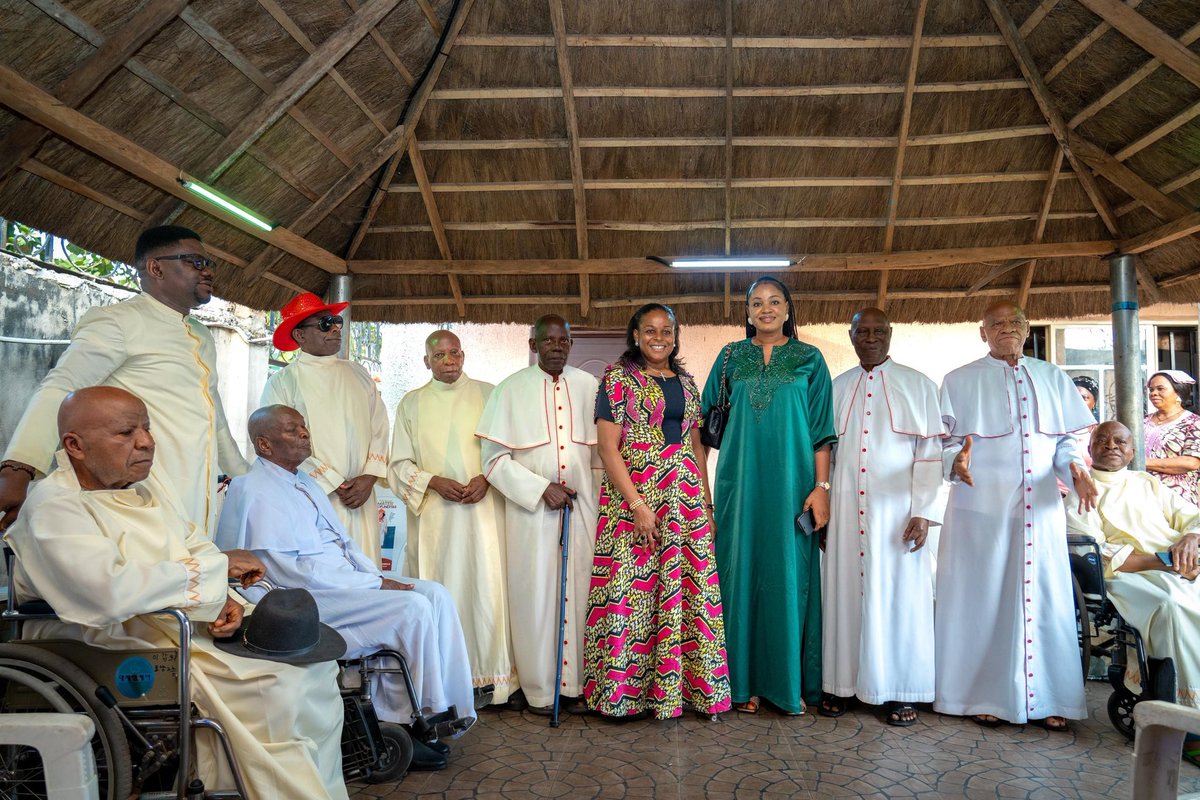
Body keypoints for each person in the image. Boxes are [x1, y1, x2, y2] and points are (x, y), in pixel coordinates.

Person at [6, 387, 347, 799]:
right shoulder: (54, 506)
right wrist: (214, 573)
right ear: (75, 446)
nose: (147, 442)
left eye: (146, 429)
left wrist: (223, 602)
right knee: (278, 685)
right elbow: (108, 592)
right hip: (100, 638)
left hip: (172, 625)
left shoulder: (144, 489)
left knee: (316, 671)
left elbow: (196, 546)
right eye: (127, 433)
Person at [217, 405, 476, 770]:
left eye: (304, 426)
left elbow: (344, 545)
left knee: (435, 593)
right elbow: (295, 573)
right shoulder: (255, 490)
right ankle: (407, 721)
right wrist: (374, 583)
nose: (305, 433)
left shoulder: (302, 479)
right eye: (292, 429)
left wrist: (373, 579)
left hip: (343, 584)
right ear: (264, 444)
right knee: (413, 607)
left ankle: (449, 707)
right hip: (306, 597)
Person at [0, 225, 249, 535]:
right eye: (195, 262)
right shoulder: (118, 321)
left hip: (199, 492)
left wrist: (244, 476)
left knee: (193, 569)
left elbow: (215, 416)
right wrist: (18, 468)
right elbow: (61, 387)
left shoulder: (201, 335)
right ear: (156, 268)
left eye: (210, 264)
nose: (208, 271)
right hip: (143, 488)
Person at [935, 301, 1097, 731]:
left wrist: (1076, 470)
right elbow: (942, 442)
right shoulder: (959, 380)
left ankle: (1050, 698)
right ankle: (982, 695)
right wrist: (955, 461)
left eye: (1014, 323)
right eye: (996, 324)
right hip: (980, 512)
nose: (1006, 329)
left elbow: (1065, 442)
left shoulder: (1051, 377)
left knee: (1045, 600)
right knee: (983, 601)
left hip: (1038, 512)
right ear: (982, 332)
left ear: (1026, 330)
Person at [583, 304, 731, 720]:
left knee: (691, 594)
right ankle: (623, 696)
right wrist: (637, 506)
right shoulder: (617, 380)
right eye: (650, 330)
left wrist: (706, 504)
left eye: (667, 330)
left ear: (676, 335)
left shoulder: (686, 382)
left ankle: (688, 693)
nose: (659, 337)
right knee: (631, 593)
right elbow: (608, 449)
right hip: (636, 498)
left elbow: (697, 447)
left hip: (685, 501)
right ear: (635, 335)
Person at [700, 276, 836, 715]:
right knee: (737, 575)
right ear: (746, 311)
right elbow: (701, 433)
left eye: (774, 301)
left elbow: (821, 434)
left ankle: (785, 682)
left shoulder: (810, 360)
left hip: (793, 487)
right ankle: (739, 684)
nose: (766, 309)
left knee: (788, 578)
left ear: (788, 309)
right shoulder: (729, 359)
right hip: (739, 486)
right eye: (756, 302)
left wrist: (821, 489)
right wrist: (705, 496)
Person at [821, 307, 945, 726]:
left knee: (895, 599)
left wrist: (923, 512)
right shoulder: (837, 387)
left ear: (890, 334)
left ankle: (895, 689)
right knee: (842, 594)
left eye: (878, 331)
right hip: (842, 509)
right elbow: (824, 455)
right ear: (851, 335)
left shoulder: (919, 385)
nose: (870, 338)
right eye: (862, 331)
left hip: (897, 514)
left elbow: (929, 455)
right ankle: (841, 685)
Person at [475, 314, 600, 715]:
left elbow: (603, 457)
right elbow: (493, 461)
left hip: (583, 509)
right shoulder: (510, 390)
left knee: (582, 590)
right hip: (531, 514)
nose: (557, 346)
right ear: (533, 345)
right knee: (535, 596)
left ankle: (576, 687)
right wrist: (539, 488)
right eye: (548, 340)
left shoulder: (591, 387)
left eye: (563, 340)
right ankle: (540, 691)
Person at [388, 330, 515, 706]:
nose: (449, 361)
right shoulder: (411, 404)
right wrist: (433, 482)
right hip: (435, 518)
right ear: (426, 361)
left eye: (454, 353)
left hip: (484, 515)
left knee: (486, 590)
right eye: (439, 355)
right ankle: (442, 682)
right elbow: (398, 465)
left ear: (464, 355)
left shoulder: (490, 394)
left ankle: (493, 682)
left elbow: (508, 449)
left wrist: (487, 479)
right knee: (439, 588)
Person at [1066, 421, 1200, 717]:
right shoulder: (1084, 489)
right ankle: (1180, 706)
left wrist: (1191, 538)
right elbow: (1097, 553)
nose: (1111, 446)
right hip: (1128, 575)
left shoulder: (1147, 482)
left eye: (1120, 442)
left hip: (1178, 565)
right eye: (1102, 440)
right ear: (1089, 450)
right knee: (1170, 604)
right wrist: (1167, 562)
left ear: (1132, 452)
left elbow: (1191, 517)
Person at [261, 293, 390, 565]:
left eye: (336, 322)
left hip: (361, 495)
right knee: (326, 573)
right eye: (324, 324)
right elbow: (278, 443)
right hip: (311, 495)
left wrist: (369, 476)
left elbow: (379, 425)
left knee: (367, 572)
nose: (334, 328)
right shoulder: (283, 382)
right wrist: (331, 481)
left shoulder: (358, 373)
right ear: (299, 335)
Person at [1145, 370, 1200, 505]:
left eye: (1160, 389)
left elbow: (1191, 462)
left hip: (1175, 498)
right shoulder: (1142, 421)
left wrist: (1142, 462)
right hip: (1140, 491)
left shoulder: (1193, 422)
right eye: (1151, 389)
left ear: (1178, 392)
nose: (1153, 393)